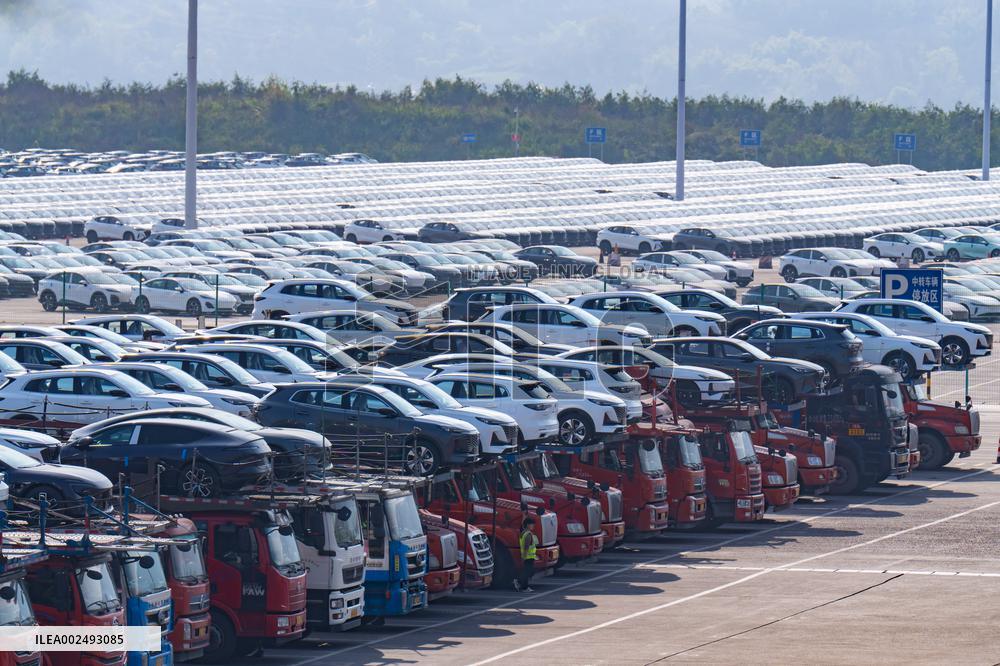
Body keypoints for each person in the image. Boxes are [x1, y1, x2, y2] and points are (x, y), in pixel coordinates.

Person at [515, 516, 538, 592]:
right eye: (532, 524)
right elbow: (526, 547)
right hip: (528, 557)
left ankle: (520, 583)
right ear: (528, 525)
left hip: (528, 556)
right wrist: (524, 556)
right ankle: (523, 586)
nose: (533, 526)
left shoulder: (523, 532)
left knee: (527, 572)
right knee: (528, 572)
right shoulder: (528, 534)